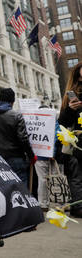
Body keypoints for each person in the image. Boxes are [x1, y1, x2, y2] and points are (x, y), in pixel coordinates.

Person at [0, 88, 36, 187]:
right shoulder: (17, 116)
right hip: (16, 158)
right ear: (12, 101)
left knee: (3, 187)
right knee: (20, 189)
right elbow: (23, 138)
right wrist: (31, 156)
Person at [57, 61, 82, 218]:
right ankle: (78, 207)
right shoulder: (72, 94)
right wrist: (71, 110)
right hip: (77, 144)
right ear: (78, 76)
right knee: (77, 177)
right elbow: (63, 122)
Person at [34, 105, 59, 212]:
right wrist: (53, 153)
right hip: (50, 156)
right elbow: (57, 136)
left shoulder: (34, 121)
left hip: (38, 155)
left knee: (43, 179)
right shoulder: (53, 121)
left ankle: (43, 203)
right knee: (53, 179)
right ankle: (54, 202)